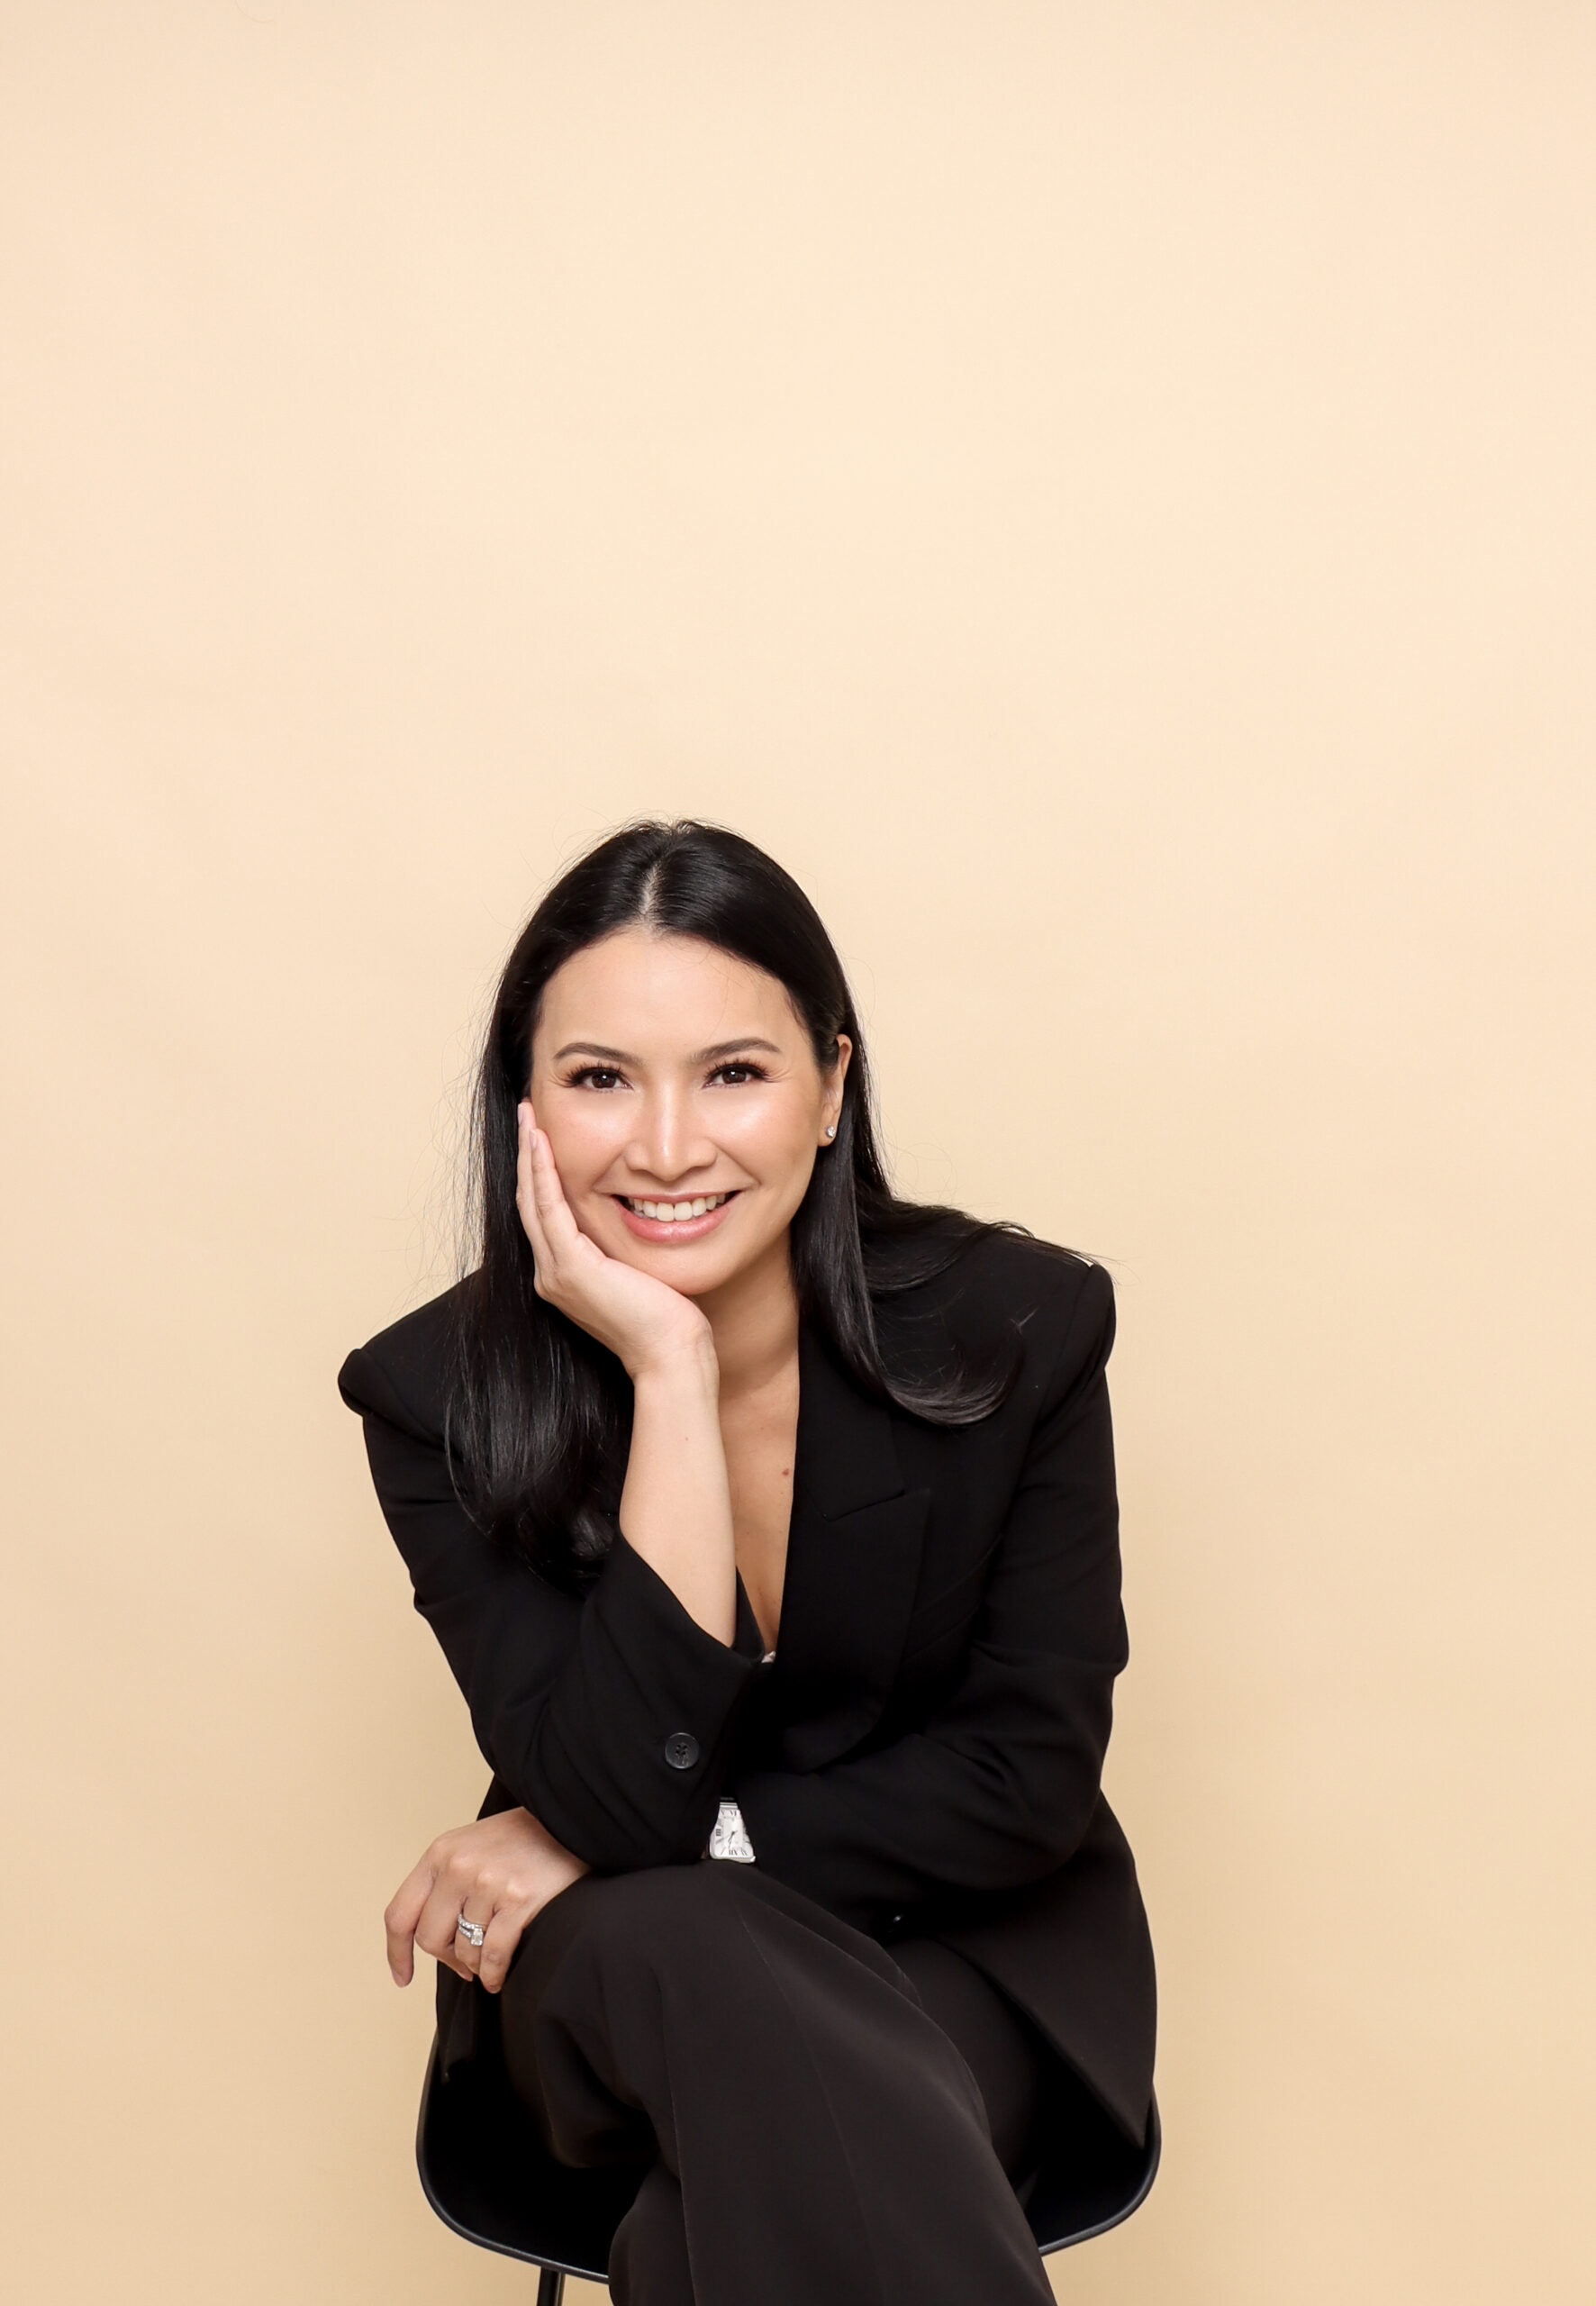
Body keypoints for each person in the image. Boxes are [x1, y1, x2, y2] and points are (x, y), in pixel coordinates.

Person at [338, 820, 1156, 2306]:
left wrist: (678, 1840)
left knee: (702, 2224)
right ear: (525, 1105)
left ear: (831, 1087)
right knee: (682, 1944)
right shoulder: (434, 1400)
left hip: (957, 1955)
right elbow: (619, 1799)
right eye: (600, 1079)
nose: (665, 1148)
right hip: (612, 1980)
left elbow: (1023, 1778)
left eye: (733, 1073)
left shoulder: (1018, 1331)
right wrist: (669, 1370)